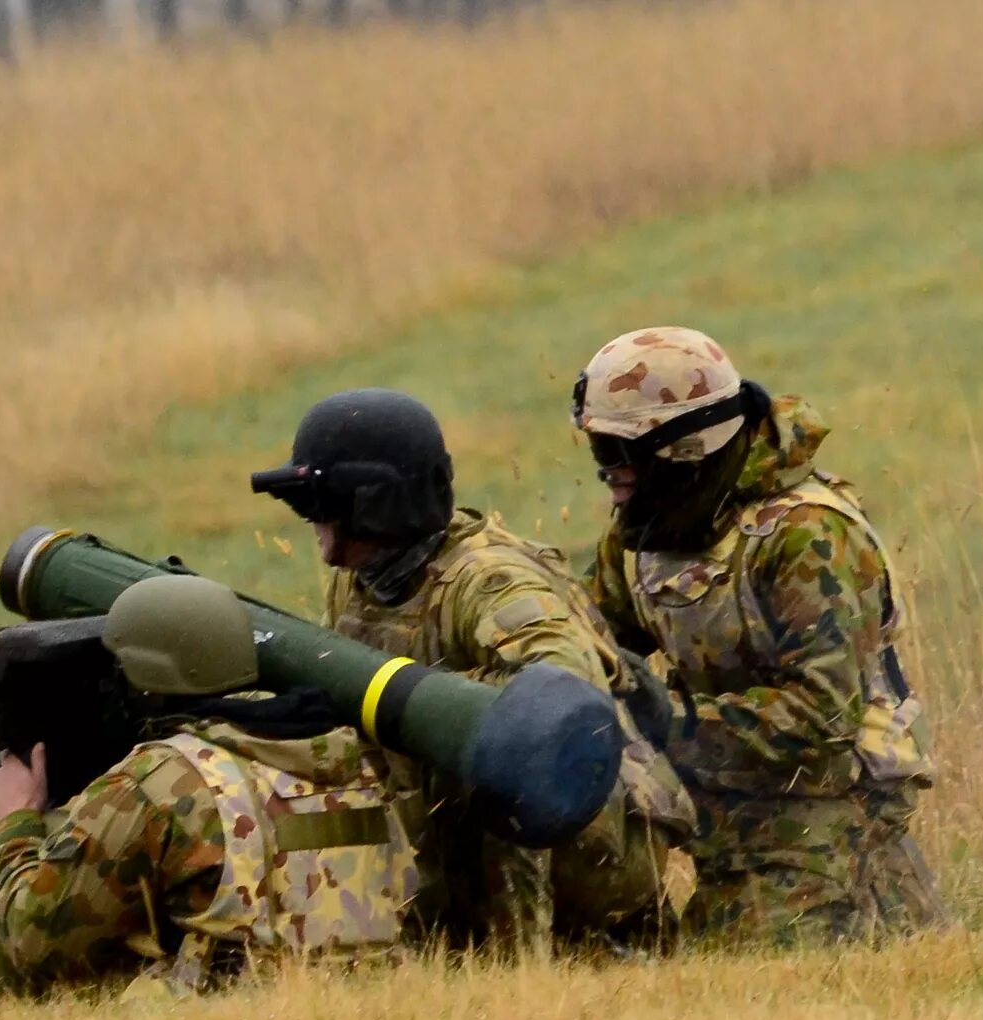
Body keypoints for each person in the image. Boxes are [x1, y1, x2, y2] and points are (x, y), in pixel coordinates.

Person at [252, 388, 695, 957]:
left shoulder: (490, 582)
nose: (310, 524)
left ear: (373, 505)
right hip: (454, 845)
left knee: (494, 748)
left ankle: (522, 965)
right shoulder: (359, 580)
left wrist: (418, 704)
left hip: (591, 840)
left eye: (317, 504)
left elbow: (563, 705)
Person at [571, 325, 945, 943]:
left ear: (683, 449)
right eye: (599, 451)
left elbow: (824, 717)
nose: (609, 474)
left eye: (619, 452)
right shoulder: (645, 534)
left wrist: (663, 720)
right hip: (725, 813)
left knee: (734, 976)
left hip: (832, 818)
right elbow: (589, 639)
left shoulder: (807, 537)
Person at [0, 574, 416, 1005]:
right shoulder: (345, 758)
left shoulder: (161, 782)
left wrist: (18, 820)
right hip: (363, 1006)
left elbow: (34, 939)